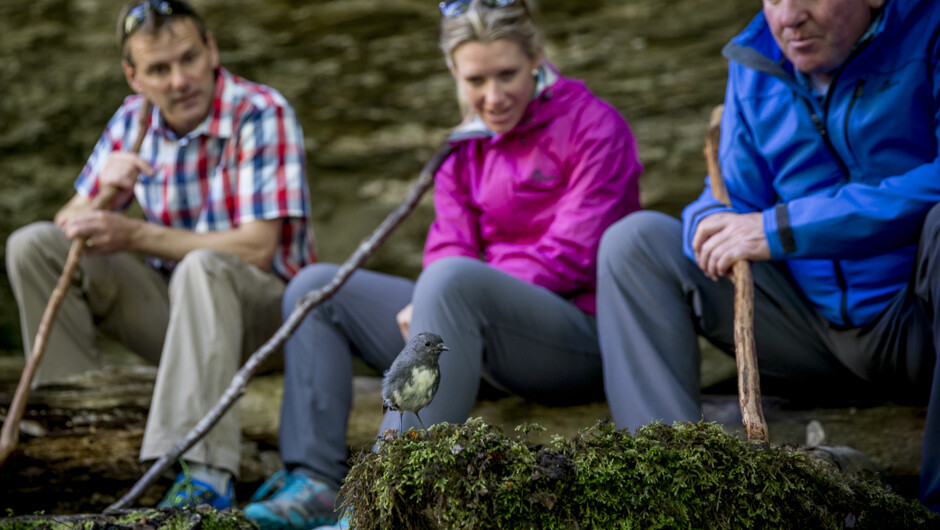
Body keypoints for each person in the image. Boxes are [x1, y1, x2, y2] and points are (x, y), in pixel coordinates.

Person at [241, 0, 642, 527]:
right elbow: (449, 241)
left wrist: (451, 288)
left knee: (450, 282)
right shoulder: (462, 148)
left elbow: (574, 252)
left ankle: (378, 502)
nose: (493, 97)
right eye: (476, 78)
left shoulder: (594, 126)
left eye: (508, 74)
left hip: (571, 337)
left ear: (537, 57)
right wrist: (431, 295)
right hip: (469, 332)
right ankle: (314, 483)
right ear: (453, 70)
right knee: (318, 289)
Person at [597, 0, 940, 513]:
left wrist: (781, 229)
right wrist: (708, 218)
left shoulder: (930, 33)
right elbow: (733, 199)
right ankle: (667, 504)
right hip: (811, 333)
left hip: (916, 318)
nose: (788, 18)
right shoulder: (756, 60)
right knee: (636, 244)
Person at [5, 0, 315, 510]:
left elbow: (258, 248)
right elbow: (70, 226)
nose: (179, 80)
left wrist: (135, 234)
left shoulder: (261, 111)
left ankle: (205, 476)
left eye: (189, 59)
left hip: (268, 320)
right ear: (133, 76)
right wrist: (100, 189)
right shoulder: (134, 120)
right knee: (33, 245)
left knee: (204, 267)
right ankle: (76, 432)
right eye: (158, 69)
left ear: (212, 49)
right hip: (180, 319)